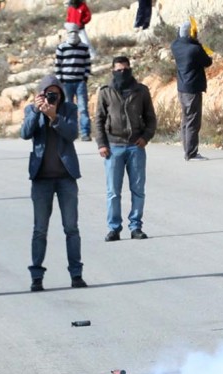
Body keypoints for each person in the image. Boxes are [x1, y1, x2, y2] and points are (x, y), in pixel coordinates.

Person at [20, 75, 86, 292]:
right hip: (41, 179)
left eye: (55, 93)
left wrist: (54, 116)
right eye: (48, 93)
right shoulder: (32, 109)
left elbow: (72, 134)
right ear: (40, 94)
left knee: (71, 228)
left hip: (66, 178)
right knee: (40, 229)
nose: (52, 97)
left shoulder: (68, 109)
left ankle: (76, 275)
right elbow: (25, 133)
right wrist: (39, 112)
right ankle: (36, 277)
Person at [94, 55, 157, 242]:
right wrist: (102, 144)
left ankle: (136, 226)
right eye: (119, 70)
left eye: (126, 69)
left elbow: (150, 118)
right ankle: (114, 228)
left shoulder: (141, 91)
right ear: (113, 71)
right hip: (113, 148)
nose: (123, 72)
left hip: (135, 147)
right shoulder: (105, 91)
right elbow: (98, 119)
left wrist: (146, 137)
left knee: (138, 189)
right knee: (113, 191)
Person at [170, 21, 212, 161]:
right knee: (193, 121)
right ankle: (191, 153)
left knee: (186, 119)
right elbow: (207, 61)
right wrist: (197, 42)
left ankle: (187, 150)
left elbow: (179, 39)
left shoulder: (175, 46)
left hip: (182, 88)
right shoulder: (194, 49)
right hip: (193, 88)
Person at [54, 29, 92, 142]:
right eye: (71, 33)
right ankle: (68, 132)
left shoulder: (84, 47)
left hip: (80, 82)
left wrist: (84, 78)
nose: (73, 35)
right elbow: (58, 64)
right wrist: (60, 80)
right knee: (66, 108)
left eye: (75, 32)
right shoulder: (62, 47)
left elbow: (87, 64)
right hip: (66, 82)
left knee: (83, 108)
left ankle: (85, 133)